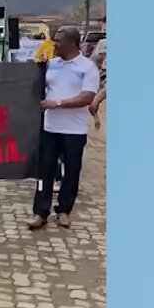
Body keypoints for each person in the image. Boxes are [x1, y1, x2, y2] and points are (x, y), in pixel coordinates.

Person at [29, 26, 100, 230]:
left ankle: (64, 211)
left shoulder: (87, 68)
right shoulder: (51, 65)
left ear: (72, 42)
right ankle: (40, 212)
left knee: (71, 172)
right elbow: (39, 86)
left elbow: (87, 96)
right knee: (45, 171)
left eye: (58, 40)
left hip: (74, 131)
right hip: (50, 128)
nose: (54, 44)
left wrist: (57, 103)